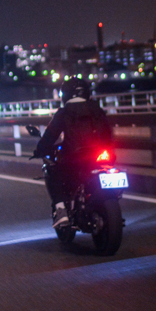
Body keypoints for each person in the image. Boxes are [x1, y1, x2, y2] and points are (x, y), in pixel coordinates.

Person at [33, 78, 113, 228]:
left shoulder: (63, 113)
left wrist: (40, 149)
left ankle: (61, 210)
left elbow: (50, 136)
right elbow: (108, 134)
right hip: (100, 155)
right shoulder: (97, 110)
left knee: (52, 171)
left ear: (66, 95)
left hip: (74, 159)